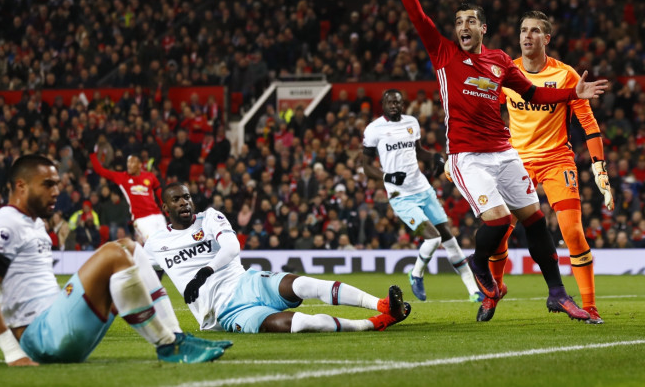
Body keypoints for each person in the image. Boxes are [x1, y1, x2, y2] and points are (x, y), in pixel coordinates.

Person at [388, 0, 607, 321]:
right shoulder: (444, 54)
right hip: (467, 155)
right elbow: (418, 18)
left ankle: (557, 293)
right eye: (458, 23)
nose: (463, 28)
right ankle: (477, 264)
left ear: (483, 28)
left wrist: (575, 92)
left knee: (535, 220)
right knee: (499, 221)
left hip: (504, 152)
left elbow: (535, 92)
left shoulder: (500, 61)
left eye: (470, 21)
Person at [0, 155, 228, 366]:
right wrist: (13, 353)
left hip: (58, 328)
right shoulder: (7, 222)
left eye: (57, 184)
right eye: (47, 184)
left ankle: (177, 337)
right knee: (113, 253)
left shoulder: (35, 224)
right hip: (41, 338)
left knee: (130, 248)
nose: (56, 191)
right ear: (21, 186)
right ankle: (167, 344)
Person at [480, 11, 614, 324]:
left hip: (557, 159)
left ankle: (590, 306)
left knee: (572, 232)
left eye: (535, 31)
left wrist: (599, 168)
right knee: (500, 232)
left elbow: (588, 124)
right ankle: (494, 291)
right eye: (523, 30)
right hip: (516, 162)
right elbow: (483, 110)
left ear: (547, 39)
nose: (527, 36)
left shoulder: (566, 75)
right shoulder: (506, 71)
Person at [145, 182, 411, 334]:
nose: (184, 202)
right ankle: (373, 324)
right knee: (301, 325)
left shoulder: (210, 217)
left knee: (304, 284)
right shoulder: (156, 244)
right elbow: (139, 275)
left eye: (187, 197)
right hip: (227, 312)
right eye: (176, 199)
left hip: (248, 282)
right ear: (165, 207)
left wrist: (202, 273)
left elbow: (231, 249)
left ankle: (383, 305)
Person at [361, 89, 483, 303]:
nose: (394, 105)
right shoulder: (374, 130)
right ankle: (416, 274)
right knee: (433, 237)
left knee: (448, 237)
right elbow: (366, 166)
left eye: (398, 102)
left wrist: (434, 157)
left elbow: (418, 152)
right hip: (400, 196)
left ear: (403, 104)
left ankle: (473, 290)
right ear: (383, 104)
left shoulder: (411, 123)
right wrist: (387, 176)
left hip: (423, 190)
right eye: (390, 102)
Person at [89, 150, 165, 243]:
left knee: (166, 244)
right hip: (141, 219)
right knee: (154, 244)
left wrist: (163, 204)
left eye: (132, 162)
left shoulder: (150, 176)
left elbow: (158, 189)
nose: (129, 164)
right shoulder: (122, 177)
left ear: (140, 164)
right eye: (128, 162)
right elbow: (100, 170)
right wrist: (92, 154)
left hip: (158, 215)